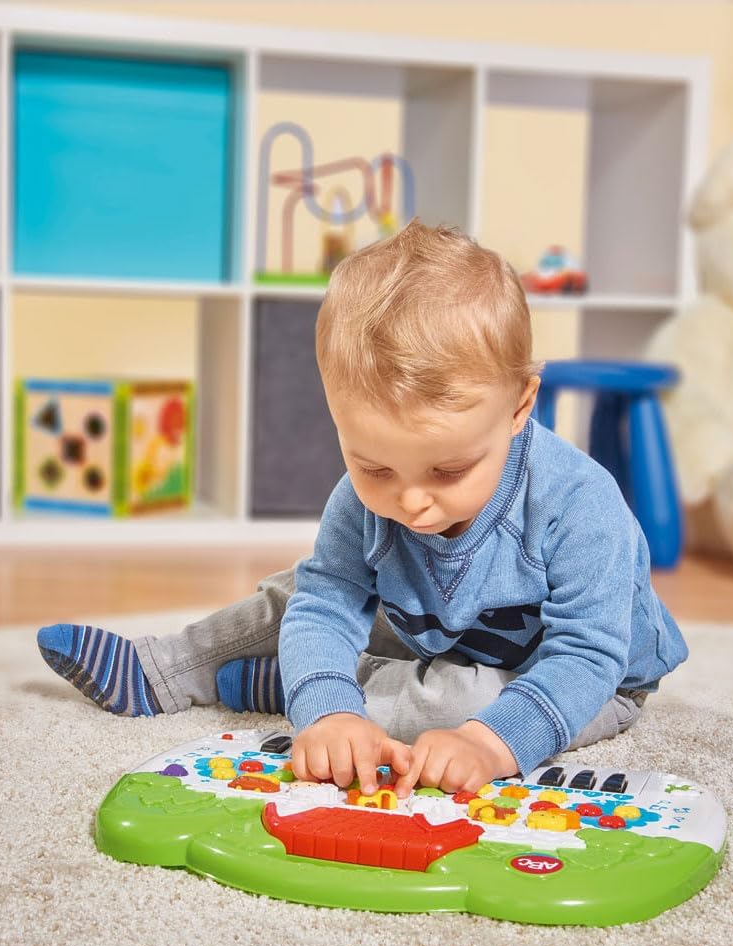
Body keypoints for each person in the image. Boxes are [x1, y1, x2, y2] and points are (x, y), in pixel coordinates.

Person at [37, 220, 688, 799]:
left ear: (519, 407)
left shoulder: (579, 505)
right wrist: (329, 712)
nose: (411, 500)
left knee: (460, 705)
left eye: (448, 470)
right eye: (375, 466)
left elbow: (586, 654)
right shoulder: (362, 501)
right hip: (435, 620)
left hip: (580, 674)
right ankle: (162, 669)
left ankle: (281, 685)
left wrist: (488, 745)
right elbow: (325, 605)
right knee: (295, 595)